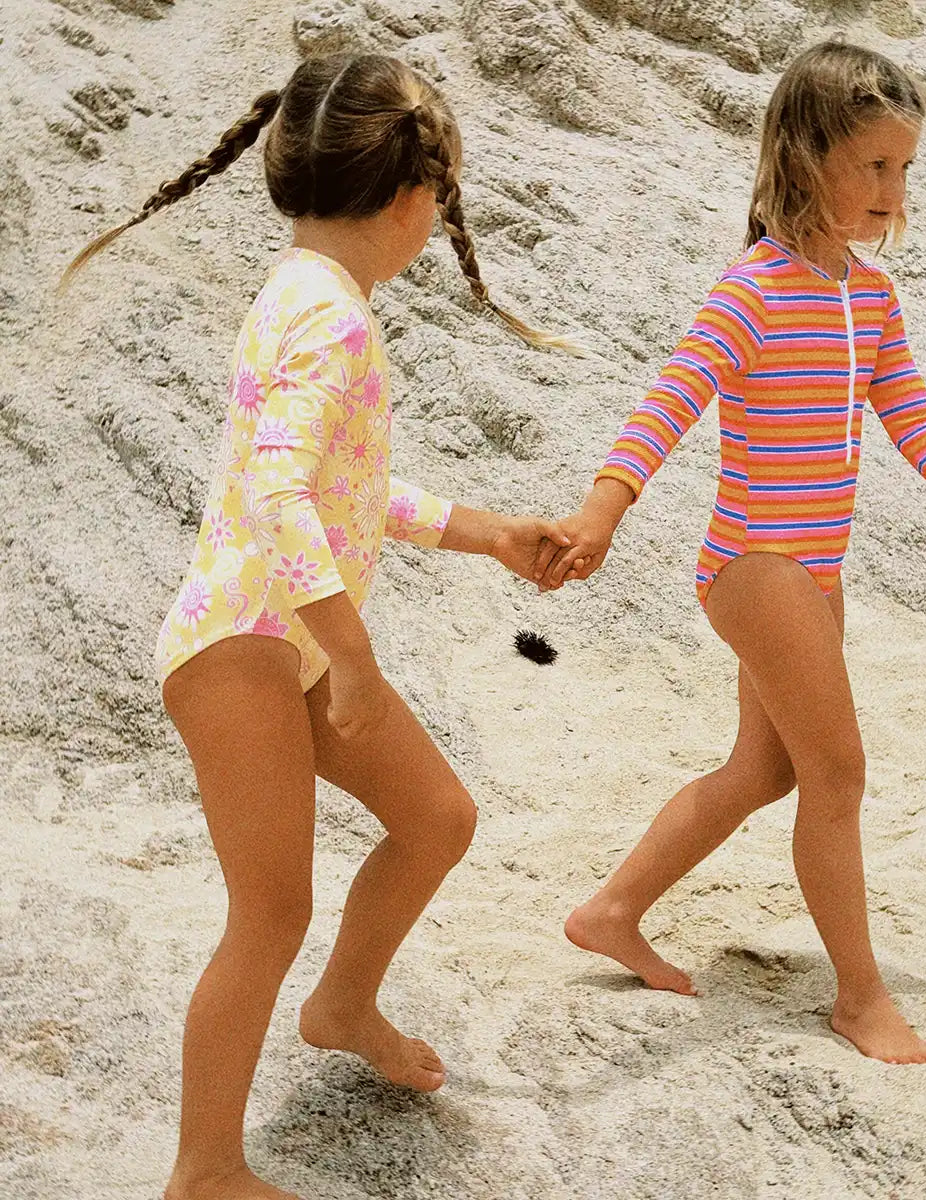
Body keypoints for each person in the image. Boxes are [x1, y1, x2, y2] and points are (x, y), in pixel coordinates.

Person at [63, 52, 573, 1200]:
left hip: (282, 629)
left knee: (435, 816)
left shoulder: (307, 295)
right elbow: (286, 502)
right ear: (411, 197)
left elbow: (339, 489)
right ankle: (202, 1171)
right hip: (243, 646)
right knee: (268, 910)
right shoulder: (329, 321)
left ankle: (344, 1004)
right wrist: (349, 654)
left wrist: (485, 530)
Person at [547, 41, 926, 1066]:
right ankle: (860, 1000)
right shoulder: (755, 289)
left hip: (816, 569)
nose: (892, 189)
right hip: (755, 565)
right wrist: (601, 515)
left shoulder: (867, 296)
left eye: (904, 169)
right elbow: (667, 403)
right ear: (804, 154)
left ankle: (612, 911)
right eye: (874, 166)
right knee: (838, 769)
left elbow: (911, 410)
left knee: (764, 769)